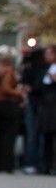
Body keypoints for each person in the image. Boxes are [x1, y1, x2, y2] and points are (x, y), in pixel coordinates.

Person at [0, 52, 25, 173]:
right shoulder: (8, 71)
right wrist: (19, 93)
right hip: (8, 105)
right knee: (8, 135)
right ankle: (6, 164)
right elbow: (6, 88)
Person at [36, 44, 56, 175]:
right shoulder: (45, 69)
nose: (46, 56)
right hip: (47, 108)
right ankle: (45, 166)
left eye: (49, 53)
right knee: (47, 138)